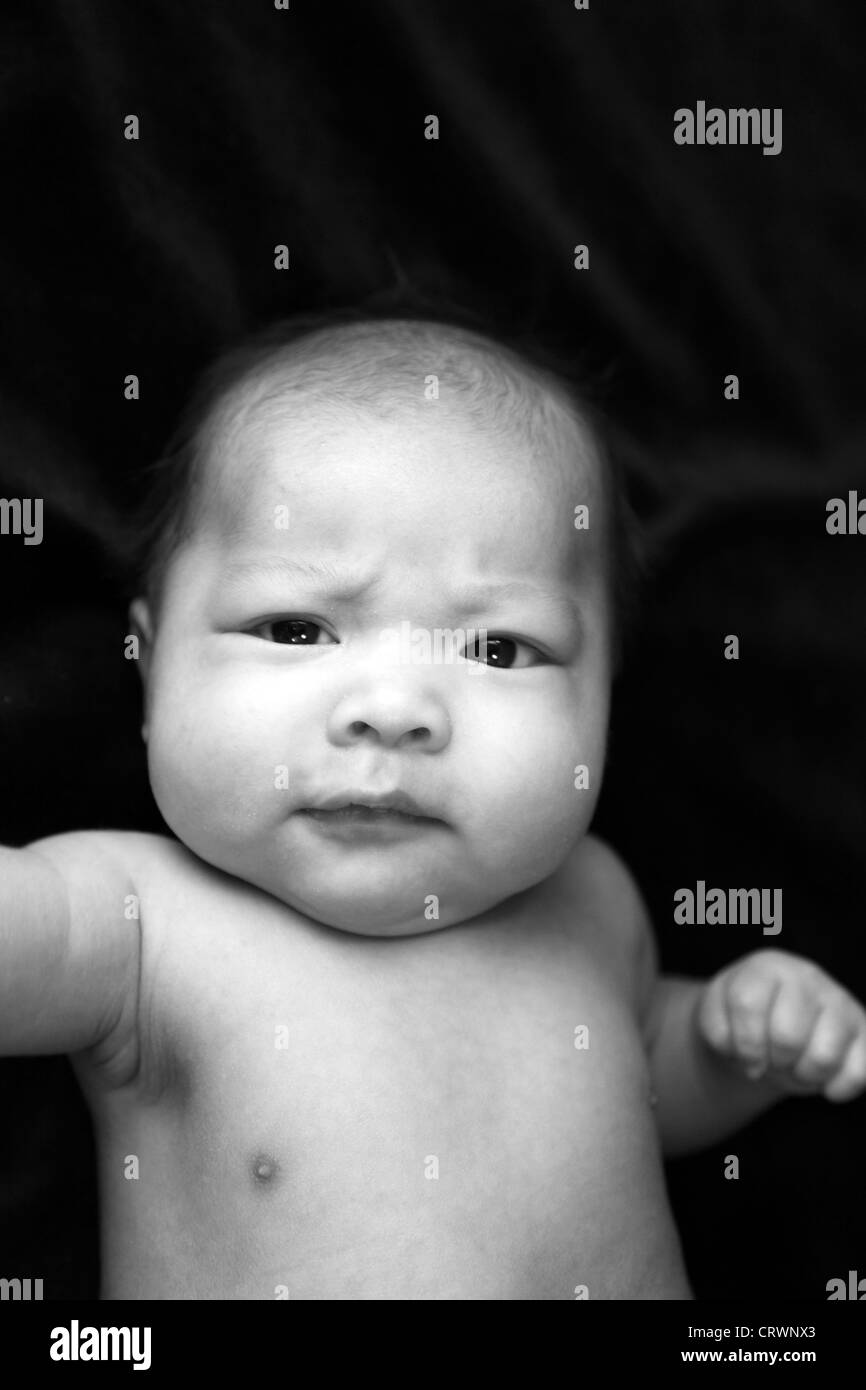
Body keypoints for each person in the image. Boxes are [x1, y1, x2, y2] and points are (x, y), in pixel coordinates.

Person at [2, 310, 864, 1299]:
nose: (395, 711)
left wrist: (726, 1041)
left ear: (602, 704)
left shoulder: (589, 899)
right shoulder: (134, 917)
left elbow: (639, 1090)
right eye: (294, 627)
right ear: (149, 671)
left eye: (498, 649)